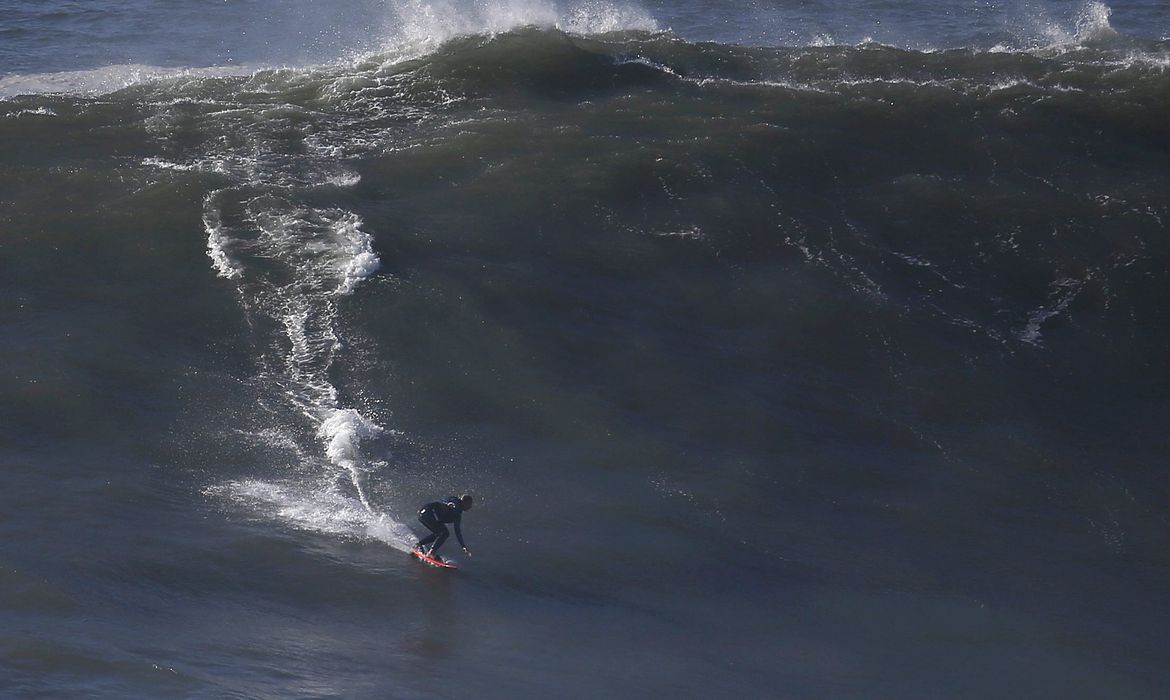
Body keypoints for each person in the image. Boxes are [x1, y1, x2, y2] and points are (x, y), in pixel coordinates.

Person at [414, 494, 473, 561]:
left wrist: (463, 546)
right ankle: (431, 553)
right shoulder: (455, 504)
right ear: (464, 502)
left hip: (423, 513)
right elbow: (447, 503)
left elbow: (457, 531)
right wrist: (447, 504)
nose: (470, 507)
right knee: (444, 533)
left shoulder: (457, 512)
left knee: (439, 533)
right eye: (469, 504)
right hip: (428, 513)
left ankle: (418, 545)